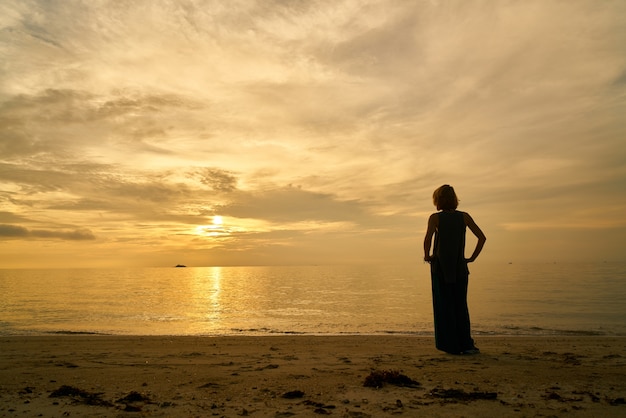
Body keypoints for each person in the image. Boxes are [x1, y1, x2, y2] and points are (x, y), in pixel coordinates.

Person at [423, 185, 486, 355]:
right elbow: (482, 237)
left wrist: (427, 255)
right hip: (460, 268)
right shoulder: (464, 217)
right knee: (460, 306)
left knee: (444, 307)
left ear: (438, 200)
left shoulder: (435, 218)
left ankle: (450, 345)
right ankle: (466, 344)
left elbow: (428, 238)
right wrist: (472, 258)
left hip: (441, 268)